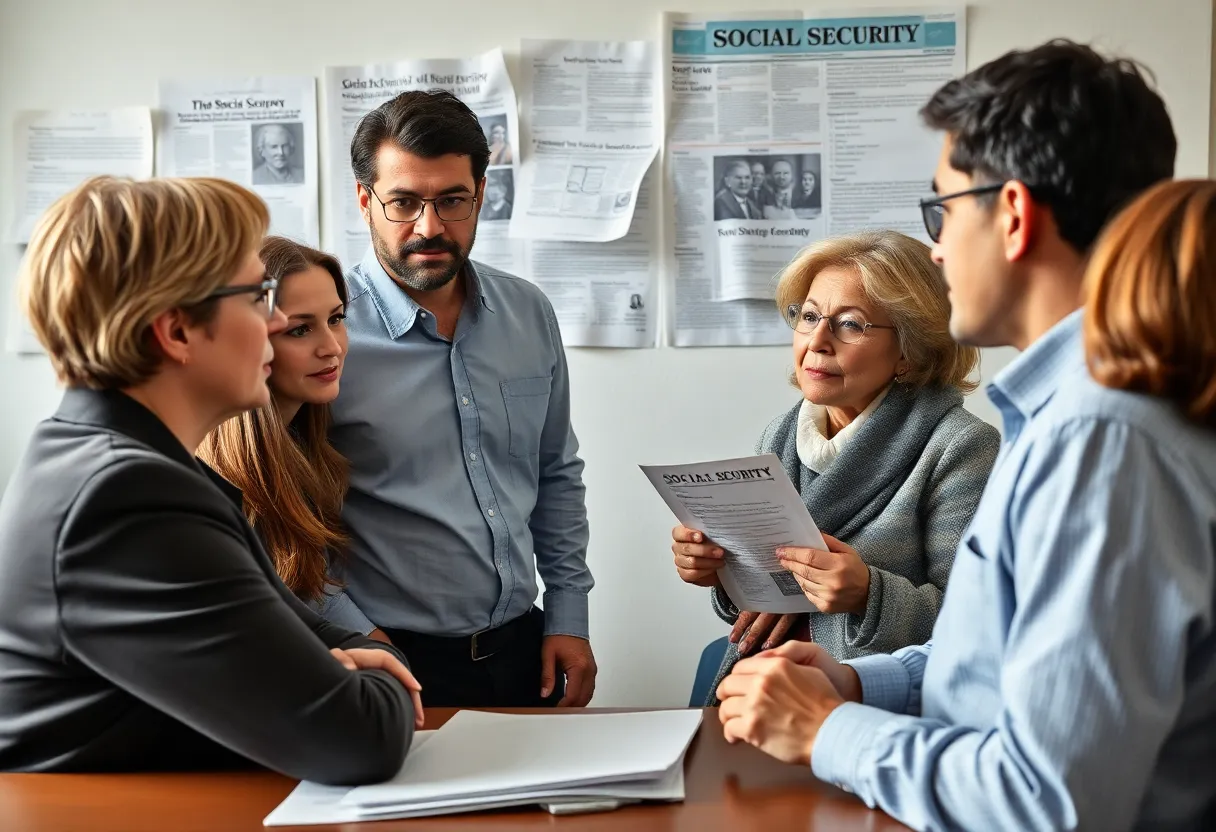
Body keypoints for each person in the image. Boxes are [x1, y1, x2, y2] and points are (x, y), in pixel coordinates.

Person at [714, 41, 1214, 832]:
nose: (938, 246)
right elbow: (1001, 666)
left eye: (943, 208)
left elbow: (1050, 802)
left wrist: (826, 730)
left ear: (1012, 215)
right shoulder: (1071, 417)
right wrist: (861, 686)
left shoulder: (1101, 443)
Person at [0, 176, 421, 781]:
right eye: (257, 298)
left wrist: (356, 659)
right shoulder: (127, 497)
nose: (273, 325)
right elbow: (360, 739)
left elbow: (312, 632)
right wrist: (366, 673)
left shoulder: (138, 466)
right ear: (176, 333)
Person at [326, 89, 596, 709]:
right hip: (386, 655)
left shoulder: (528, 311)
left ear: (481, 196)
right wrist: (353, 632)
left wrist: (568, 614)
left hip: (525, 648)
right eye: (404, 203)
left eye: (453, 201)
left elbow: (555, 475)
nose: (430, 227)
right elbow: (282, 514)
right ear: (366, 201)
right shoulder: (323, 330)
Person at [674, 229, 999, 706]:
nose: (818, 341)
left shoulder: (960, 447)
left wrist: (869, 594)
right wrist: (717, 568)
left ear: (909, 352)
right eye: (808, 317)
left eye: (851, 324)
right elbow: (764, 599)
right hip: (769, 689)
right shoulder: (779, 438)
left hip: (878, 709)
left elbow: (981, 622)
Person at [197, 236, 395, 642]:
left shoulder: (303, 447)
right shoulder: (214, 479)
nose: (332, 347)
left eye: (337, 320)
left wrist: (375, 645)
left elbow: (311, 590)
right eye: (300, 329)